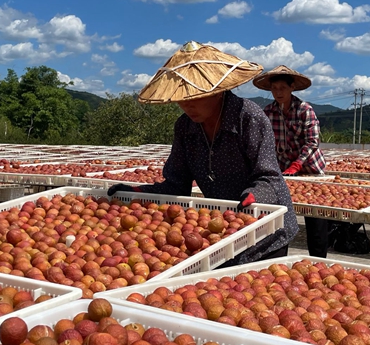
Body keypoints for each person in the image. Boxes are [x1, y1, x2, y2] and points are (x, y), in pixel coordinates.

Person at [107, 41, 298, 264]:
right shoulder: (185, 127)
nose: (187, 105)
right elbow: (176, 185)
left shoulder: (248, 118)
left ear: (217, 92)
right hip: (222, 229)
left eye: (195, 97)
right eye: (182, 98)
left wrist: (253, 197)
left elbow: (269, 178)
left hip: (267, 227)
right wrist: (138, 192)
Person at [252, 65, 331, 258]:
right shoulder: (268, 112)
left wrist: (298, 163)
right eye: (274, 89)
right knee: (282, 216)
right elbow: (264, 142)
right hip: (284, 171)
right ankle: (278, 257)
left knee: (315, 217)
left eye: (282, 88)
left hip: (310, 171)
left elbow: (312, 141)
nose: (278, 93)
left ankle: (318, 260)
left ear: (292, 87)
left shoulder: (304, 110)